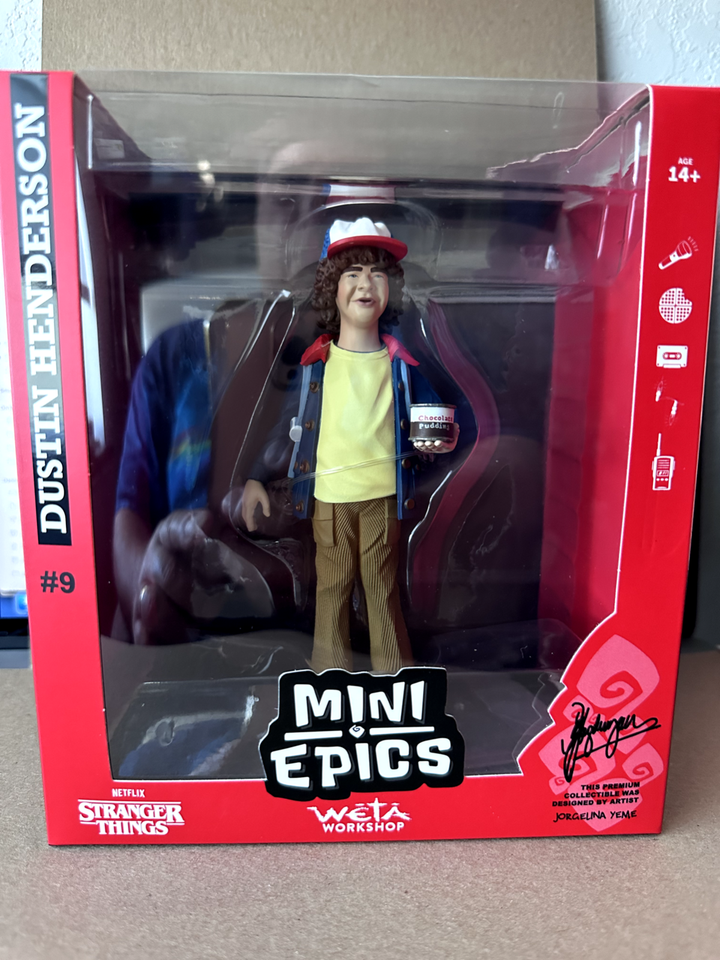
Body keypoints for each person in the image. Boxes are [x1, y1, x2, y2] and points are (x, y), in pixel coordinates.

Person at [240, 218, 458, 672]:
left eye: (377, 273)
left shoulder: (402, 366)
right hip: (329, 500)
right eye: (353, 273)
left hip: (382, 498)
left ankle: (396, 681)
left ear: (390, 287)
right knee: (332, 590)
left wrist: (442, 441)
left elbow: (438, 416)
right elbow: (286, 428)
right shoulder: (317, 366)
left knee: (381, 591)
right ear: (332, 289)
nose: (365, 284)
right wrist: (257, 477)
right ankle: (328, 679)